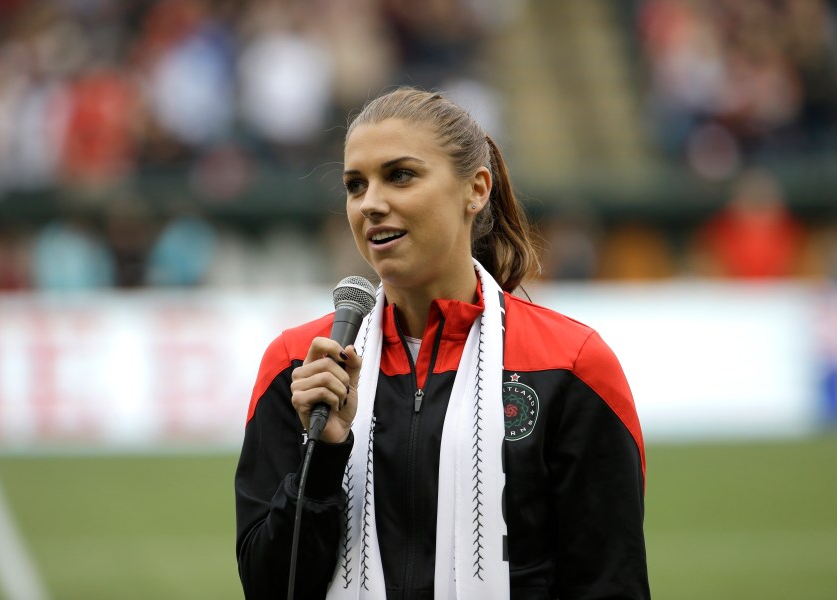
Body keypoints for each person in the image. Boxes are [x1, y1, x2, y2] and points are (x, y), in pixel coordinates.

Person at [235, 87, 649, 599]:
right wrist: (323, 454)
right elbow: (270, 587)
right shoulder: (301, 364)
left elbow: (610, 583)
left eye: (400, 175)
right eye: (354, 185)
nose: (371, 204)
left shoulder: (571, 364)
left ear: (475, 190)